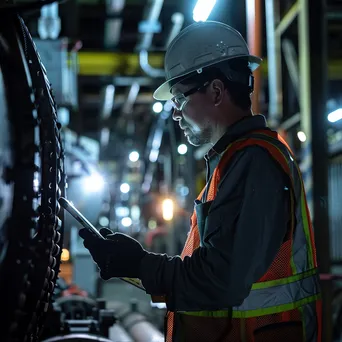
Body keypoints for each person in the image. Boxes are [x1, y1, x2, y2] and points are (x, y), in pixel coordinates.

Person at [79, 21, 322, 342]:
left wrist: (139, 264)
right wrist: (134, 264)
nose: (176, 113)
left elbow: (220, 281)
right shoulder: (235, 160)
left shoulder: (253, 162)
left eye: (179, 98)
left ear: (217, 91)